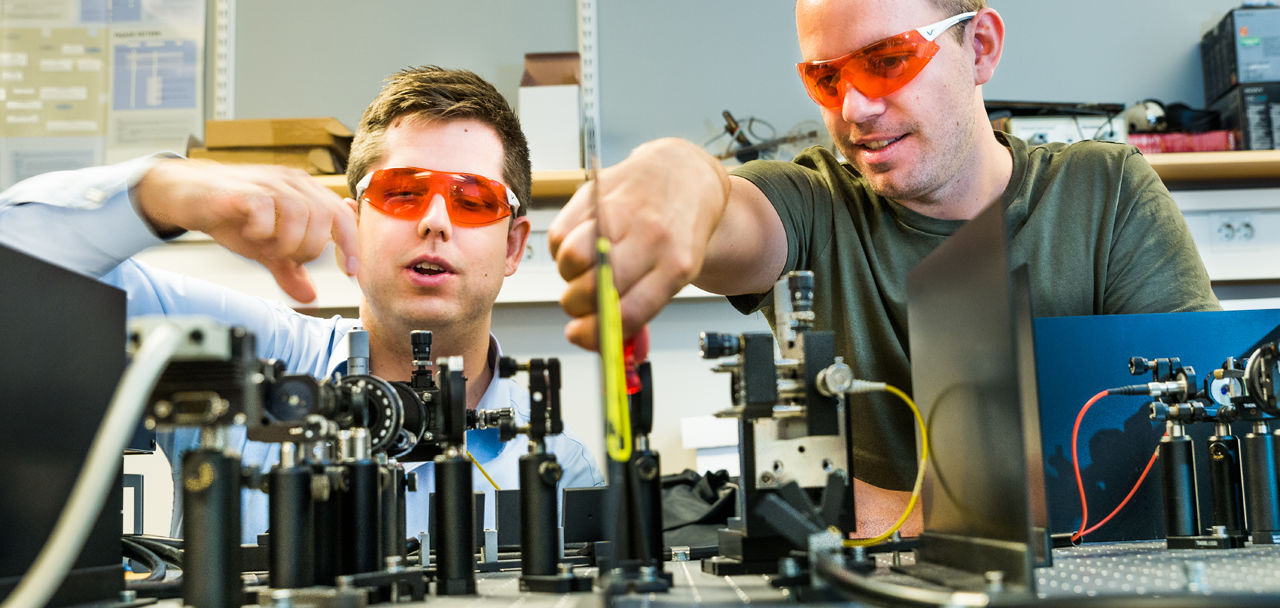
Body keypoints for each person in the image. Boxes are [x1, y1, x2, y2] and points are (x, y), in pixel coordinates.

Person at [548, 0, 1219, 536]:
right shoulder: (816, 206)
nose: (854, 108)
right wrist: (677, 172)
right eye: (825, 76)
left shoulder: (1104, 195)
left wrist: (893, 515)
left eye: (888, 60)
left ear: (979, 46)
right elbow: (727, 211)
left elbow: (1197, 450)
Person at [0, 66, 603, 542]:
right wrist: (164, 189)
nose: (436, 222)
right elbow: (17, 271)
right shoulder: (247, 362)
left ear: (514, 247)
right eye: (403, 193)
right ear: (357, 218)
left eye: (473, 199)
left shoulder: (560, 469)